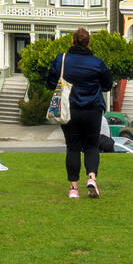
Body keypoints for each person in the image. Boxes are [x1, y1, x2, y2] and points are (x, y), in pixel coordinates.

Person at [45, 27, 113, 198]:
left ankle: (73, 188)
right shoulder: (97, 63)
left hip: (70, 110)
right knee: (92, 145)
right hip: (93, 110)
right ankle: (91, 177)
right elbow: (107, 85)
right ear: (88, 42)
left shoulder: (62, 60)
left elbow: (50, 82)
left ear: (72, 41)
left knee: (73, 147)